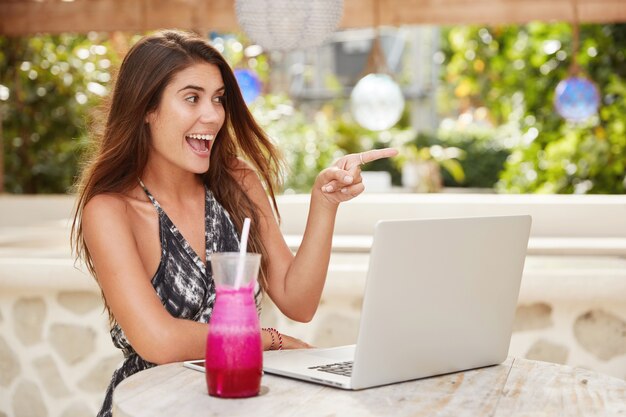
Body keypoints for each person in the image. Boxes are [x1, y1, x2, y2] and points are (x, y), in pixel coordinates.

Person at [71, 29, 397, 417]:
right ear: (147, 108)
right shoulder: (111, 210)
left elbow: (299, 301)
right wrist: (270, 341)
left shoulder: (236, 183)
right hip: (152, 405)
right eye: (191, 98)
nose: (212, 116)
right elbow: (158, 340)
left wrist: (324, 204)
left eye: (218, 99)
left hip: (236, 402)